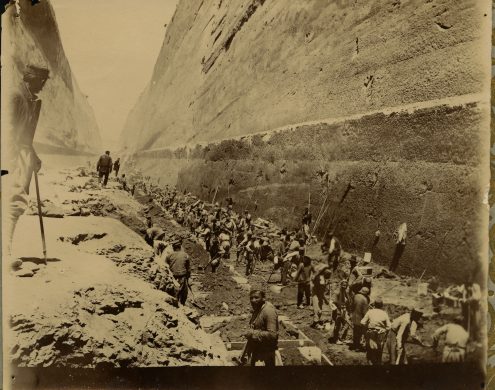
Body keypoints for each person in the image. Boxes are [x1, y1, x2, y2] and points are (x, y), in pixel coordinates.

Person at [242, 289, 279, 366]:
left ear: (263, 298)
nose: (253, 300)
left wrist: (252, 333)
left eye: (256, 297)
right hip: (257, 350)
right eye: (251, 298)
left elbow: (272, 335)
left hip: (266, 355)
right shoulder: (257, 309)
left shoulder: (268, 311)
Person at [361, 297, 391, 364]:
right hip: (381, 334)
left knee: (370, 351)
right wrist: (385, 332)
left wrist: (366, 329)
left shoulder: (370, 312)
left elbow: (362, 322)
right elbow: (389, 326)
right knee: (379, 352)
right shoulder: (384, 313)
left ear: (374, 304)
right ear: (382, 305)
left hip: (371, 332)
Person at [164, 240, 191, 305]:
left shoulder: (169, 255)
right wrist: (188, 276)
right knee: (184, 292)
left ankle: (175, 302)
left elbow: (165, 266)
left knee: (174, 291)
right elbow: (188, 268)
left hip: (172, 276)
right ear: (180, 247)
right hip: (182, 276)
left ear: (173, 248)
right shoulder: (185, 255)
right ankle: (182, 304)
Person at [331, 280, 351, 344]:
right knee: (337, 325)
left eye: (345, 285)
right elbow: (332, 302)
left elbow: (347, 302)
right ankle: (336, 339)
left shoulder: (345, 292)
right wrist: (337, 310)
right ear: (341, 285)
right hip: (338, 311)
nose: (344, 286)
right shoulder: (337, 292)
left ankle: (342, 338)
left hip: (344, 310)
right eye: (343, 285)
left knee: (346, 324)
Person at [351, 286, 369, 351]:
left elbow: (352, 305)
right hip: (360, 318)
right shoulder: (364, 299)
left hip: (354, 316)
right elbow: (365, 312)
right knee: (359, 333)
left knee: (355, 332)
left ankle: (354, 345)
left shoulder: (355, 296)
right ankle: (357, 347)